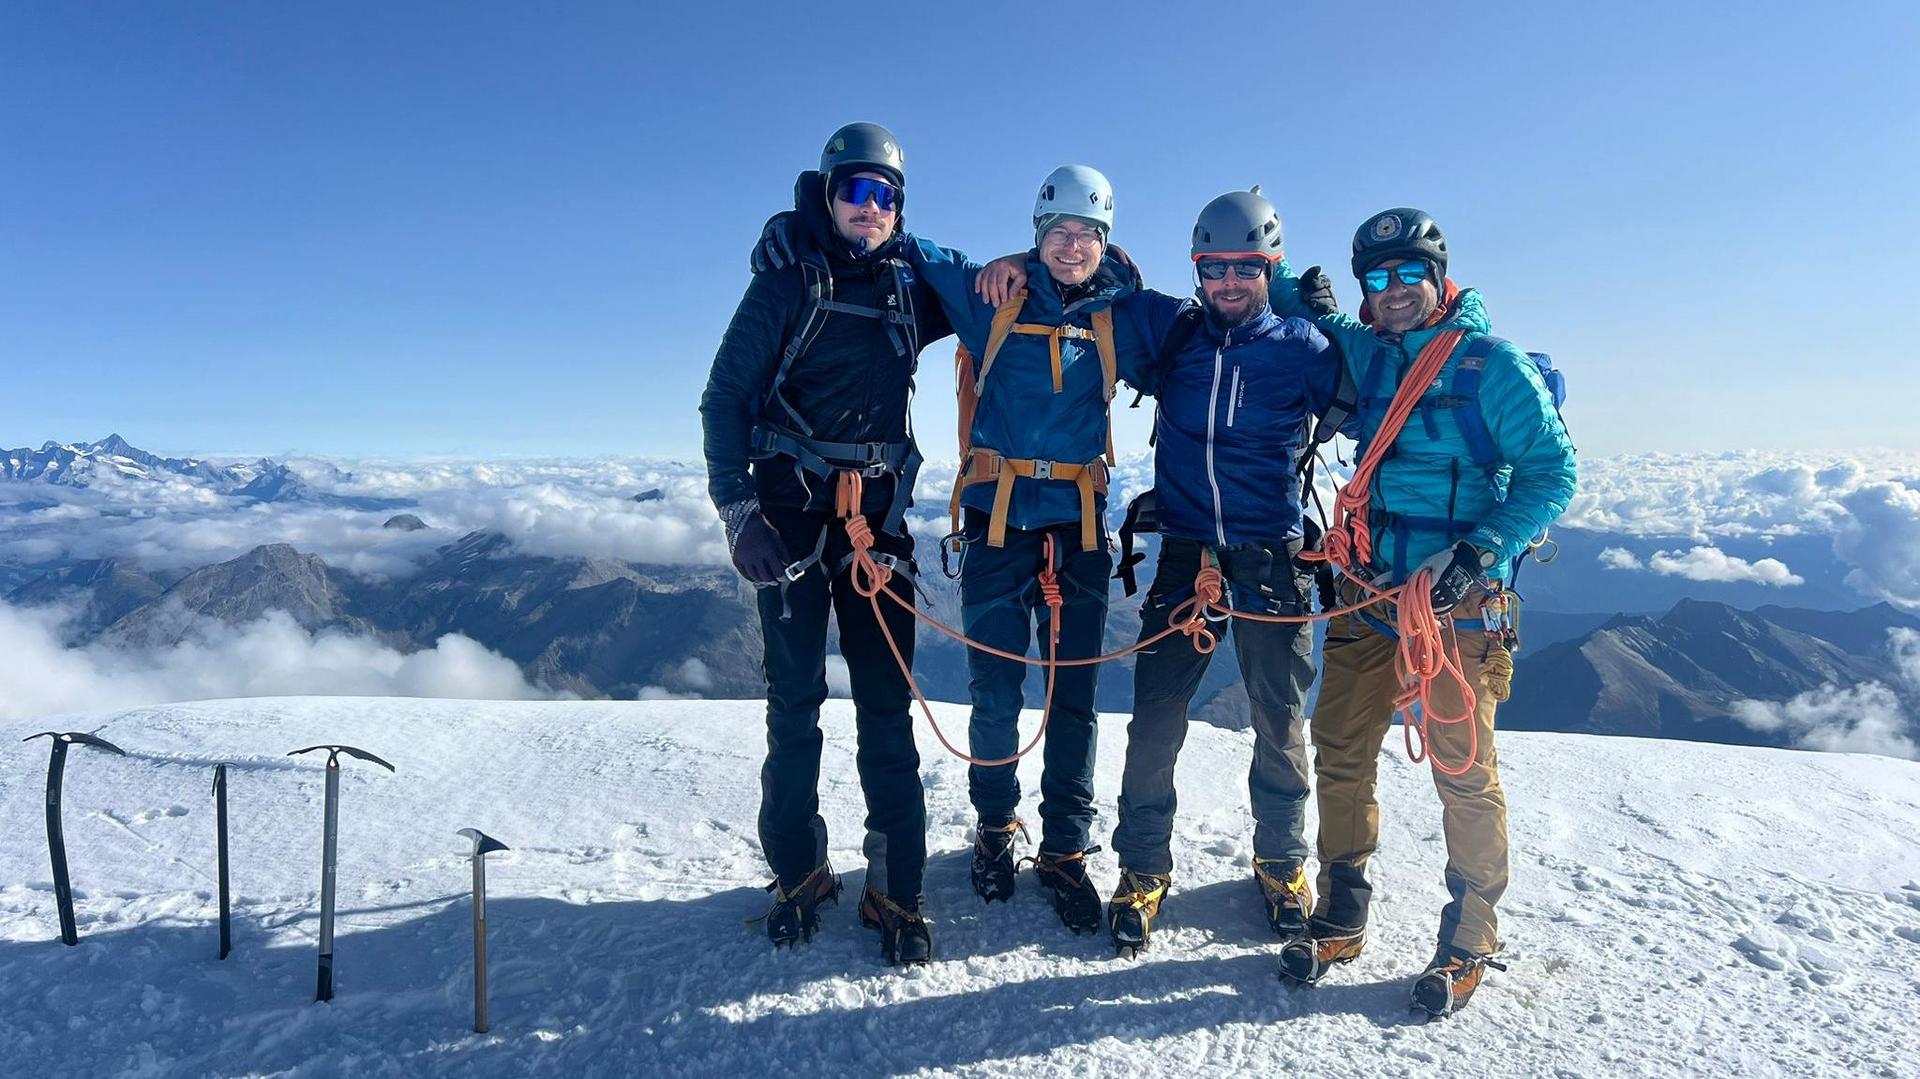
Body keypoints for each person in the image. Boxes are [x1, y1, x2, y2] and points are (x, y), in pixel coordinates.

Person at [1268, 208, 1577, 1015]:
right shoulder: (1370, 346)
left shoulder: (1491, 367)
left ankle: (1473, 932)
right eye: (1379, 278)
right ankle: (1343, 906)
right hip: (1370, 593)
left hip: (1458, 605)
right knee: (1339, 744)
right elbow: (1306, 306)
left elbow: (1553, 473)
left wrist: (1475, 554)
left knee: (1462, 768)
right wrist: (1275, 270)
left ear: (1441, 276)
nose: (1395, 291)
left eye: (1410, 274)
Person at [699, 122, 955, 967]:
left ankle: (897, 886)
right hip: (791, 520)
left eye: (885, 195)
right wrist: (739, 511)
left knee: (886, 706)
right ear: (826, 191)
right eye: (855, 189)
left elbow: (1001, 288)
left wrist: (1109, 269)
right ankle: (800, 875)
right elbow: (725, 397)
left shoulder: (912, 284)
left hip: (875, 527)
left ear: (900, 208)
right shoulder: (785, 281)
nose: (869, 207)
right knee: (795, 705)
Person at [901, 166, 1155, 935]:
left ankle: (1065, 848)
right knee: (994, 691)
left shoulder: (1126, 315)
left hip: (1077, 530)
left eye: (1087, 234)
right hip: (998, 525)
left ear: (1106, 242)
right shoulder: (993, 298)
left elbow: (1218, 314)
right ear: (1037, 235)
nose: (1072, 246)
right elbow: (903, 245)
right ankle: (993, 827)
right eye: (1057, 233)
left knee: (1071, 697)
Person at [1093, 189, 1349, 954]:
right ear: (1197, 268)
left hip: (1271, 554)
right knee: (1156, 719)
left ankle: (1281, 863)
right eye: (1214, 266)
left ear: (1270, 265)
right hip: (1185, 551)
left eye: (1246, 266)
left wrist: (1325, 311)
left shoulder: (1302, 347)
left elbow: (1374, 387)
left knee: (1279, 720)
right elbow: (1097, 280)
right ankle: (1142, 867)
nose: (1228, 281)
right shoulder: (1174, 332)